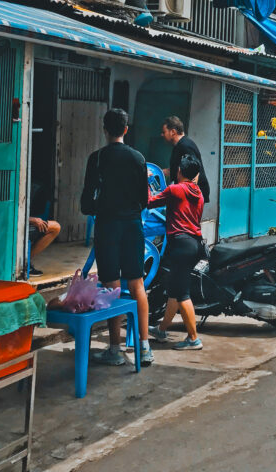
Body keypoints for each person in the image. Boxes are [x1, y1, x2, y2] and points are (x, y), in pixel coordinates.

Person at [80, 108, 154, 366]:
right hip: (132, 226)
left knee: (111, 286)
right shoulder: (137, 158)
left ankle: (114, 349)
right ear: (125, 129)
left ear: (105, 129)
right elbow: (145, 200)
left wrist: (102, 208)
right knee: (137, 285)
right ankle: (144, 347)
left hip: (107, 227)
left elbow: (86, 204)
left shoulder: (96, 159)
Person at [147, 154, 205, 351]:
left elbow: (149, 202)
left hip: (180, 245)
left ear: (179, 171)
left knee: (182, 293)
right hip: (195, 244)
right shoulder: (198, 193)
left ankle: (193, 338)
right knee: (174, 289)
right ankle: (162, 330)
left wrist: (145, 180)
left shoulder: (175, 190)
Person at [161, 116, 210, 203]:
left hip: (193, 196)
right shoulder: (178, 146)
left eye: (164, 132)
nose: (162, 135)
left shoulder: (185, 146)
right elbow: (175, 169)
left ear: (173, 132)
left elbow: (194, 172)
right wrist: (157, 172)